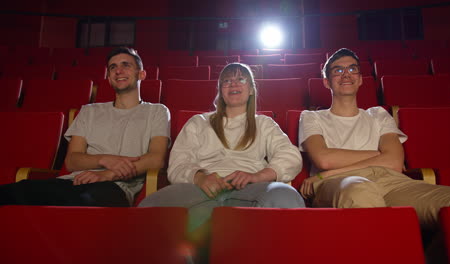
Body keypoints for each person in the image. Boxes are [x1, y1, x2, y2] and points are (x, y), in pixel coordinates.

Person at [298, 48, 450, 230]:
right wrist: (379, 155)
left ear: (361, 79)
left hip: (391, 182)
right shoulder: (311, 117)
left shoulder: (378, 114)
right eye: (338, 70)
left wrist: (330, 171)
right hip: (339, 184)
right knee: (360, 191)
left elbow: (394, 163)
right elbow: (325, 159)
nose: (346, 74)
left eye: (353, 69)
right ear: (326, 82)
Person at [139, 63, 304, 232]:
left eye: (241, 79)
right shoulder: (198, 122)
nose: (233, 84)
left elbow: (290, 156)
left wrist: (258, 176)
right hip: (200, 190)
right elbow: (178, 162)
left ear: (252, 89)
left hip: (250, 190)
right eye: (227, 81)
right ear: (220, 90)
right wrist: (200, 177)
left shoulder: (264, 124)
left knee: (286, 196)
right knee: (150, 206)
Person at [0, 47, 170, 207]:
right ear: (109, 77)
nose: (118, 71)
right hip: (74, 181)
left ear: (141, 74)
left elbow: (156, 159)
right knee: (14, 191)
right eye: (113, 67)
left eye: (126, 65)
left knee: (82, 203)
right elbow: (72, 161)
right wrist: (104, 159)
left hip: (115, 187)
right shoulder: (89, 111)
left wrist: (107, 174)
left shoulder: (157, 111)